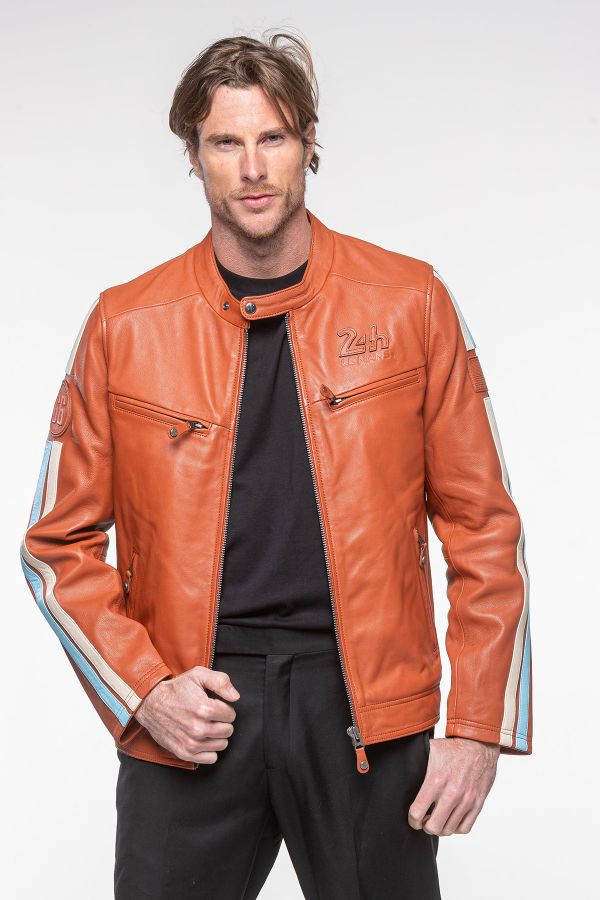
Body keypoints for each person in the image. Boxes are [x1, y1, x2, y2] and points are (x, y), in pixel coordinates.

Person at [19, 29, 532, 900]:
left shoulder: (412, 303)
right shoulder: (124, 325)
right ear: (193, 156)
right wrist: (146, 691)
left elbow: (485, 527)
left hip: (365, 706)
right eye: (226, 142)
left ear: (309, 144)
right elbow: (54, 546)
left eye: (274, 138)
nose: (253, 168)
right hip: (196, 704)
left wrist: (480, 728)